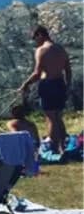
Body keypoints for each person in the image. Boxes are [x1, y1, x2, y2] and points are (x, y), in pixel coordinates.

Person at [19, 25, 72, 155]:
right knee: (58, 116)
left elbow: (37, 73)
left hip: (48, 84)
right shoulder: (60, 49)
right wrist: (67, 85)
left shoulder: (41, 50)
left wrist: (25, 84)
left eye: (34, 38)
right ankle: (62, 146)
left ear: (40, 35)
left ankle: (53, 148)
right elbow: (68, 69)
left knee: (51, 117)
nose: (35, 41)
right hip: (60, 84)